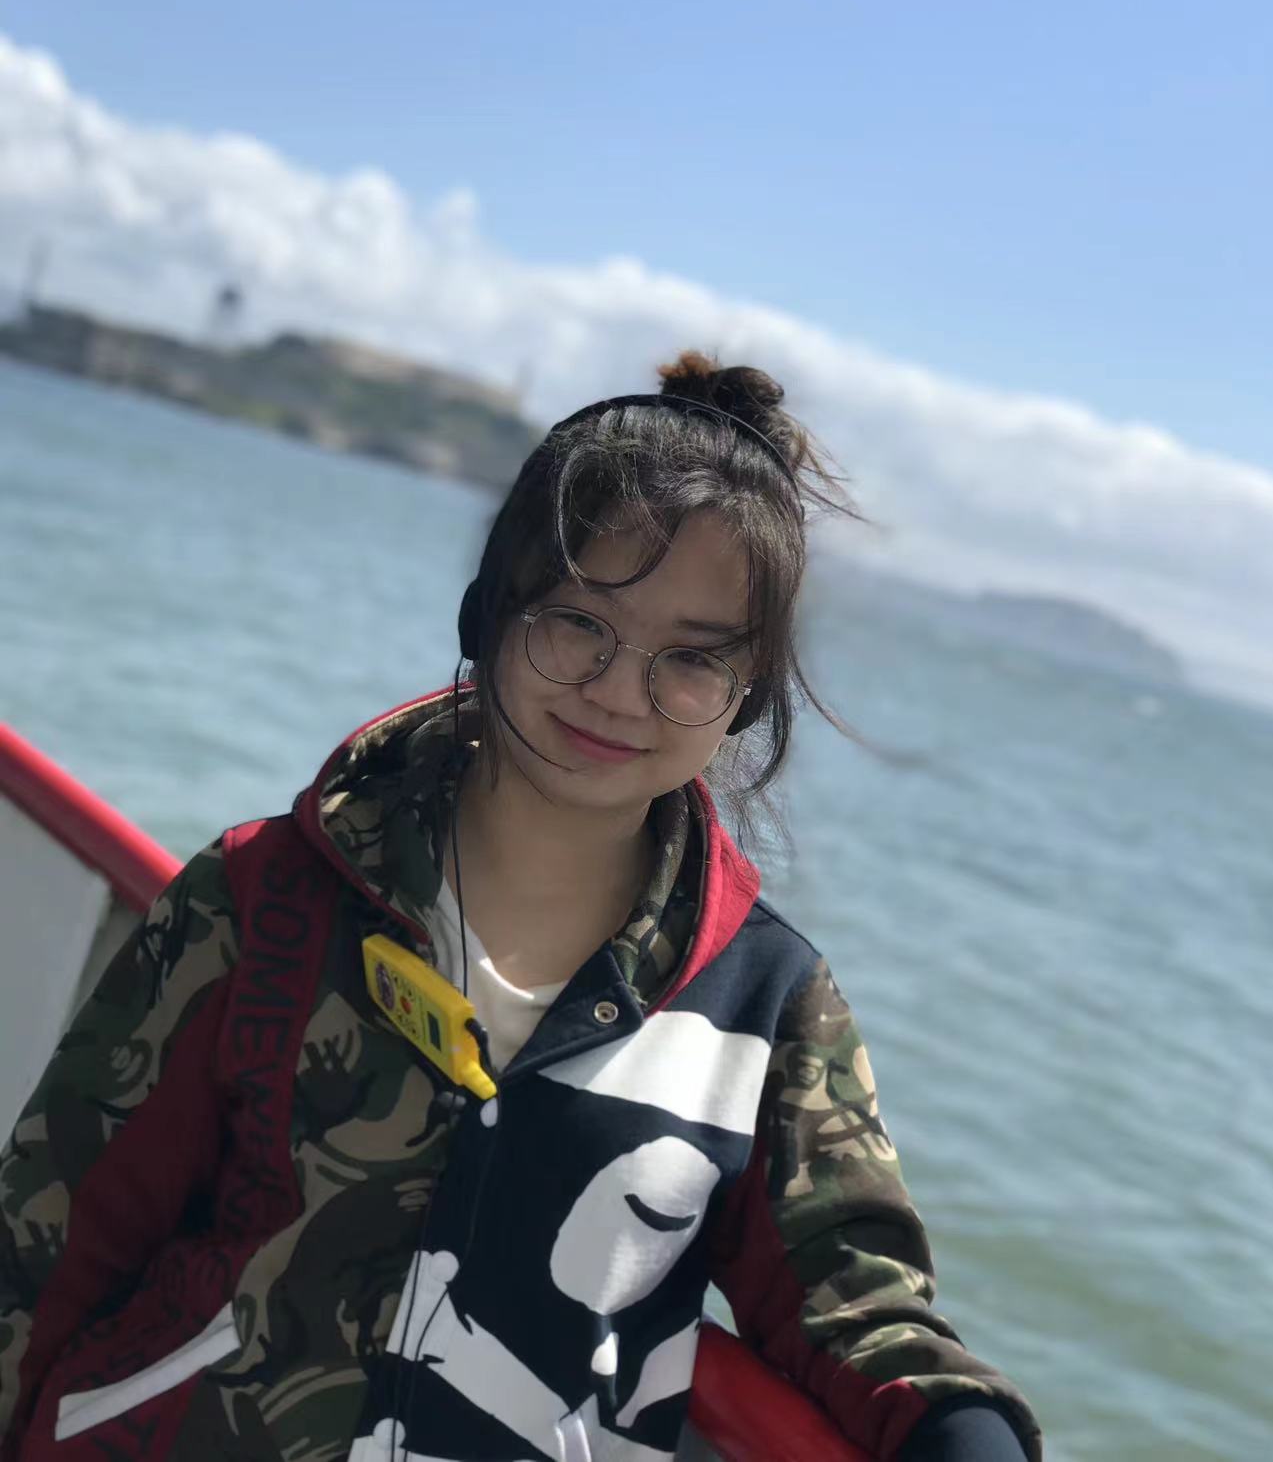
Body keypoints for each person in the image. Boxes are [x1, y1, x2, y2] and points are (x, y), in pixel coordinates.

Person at [0, 351, 1041, 1462]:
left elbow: (854, 1299)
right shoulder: (264, 894)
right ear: (487, 610)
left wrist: (965, 1434)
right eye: (579, 621)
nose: (619, 690)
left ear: (744, 701)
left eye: (693, 659)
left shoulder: (767, 1003)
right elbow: (54, 1228)